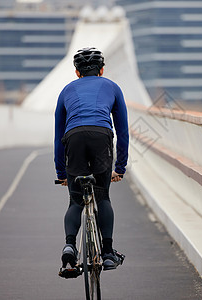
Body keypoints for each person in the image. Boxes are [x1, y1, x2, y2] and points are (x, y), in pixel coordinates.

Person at [54, 47, 129, 273]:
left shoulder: (66, 90)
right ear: (102, 70)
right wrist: (120, 167)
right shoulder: (113, 87)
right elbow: (123, 131)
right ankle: (107, 253)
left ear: (77, 73)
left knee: (76, 201)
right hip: (101, 136)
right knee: (102, 196)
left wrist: (61, 173)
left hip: (73, 138)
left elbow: (58, 137)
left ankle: (69, 246)